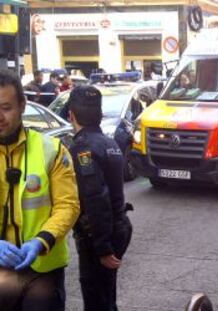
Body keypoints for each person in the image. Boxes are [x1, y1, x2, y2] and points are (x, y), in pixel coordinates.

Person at [0, 69, 80, 310]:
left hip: (43, 270)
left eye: (6, 107)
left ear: (23, 106)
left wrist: (41, 241)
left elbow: (68, 205)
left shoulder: (52, 149)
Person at [68, 85, 133, 310]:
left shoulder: (83, 148)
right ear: (100, 114)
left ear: (71, 115)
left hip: (99, 234)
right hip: (119, 225)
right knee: (106, 295)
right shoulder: (110, 143)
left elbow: (95, 196)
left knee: (96, 298)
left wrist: (102, 246)